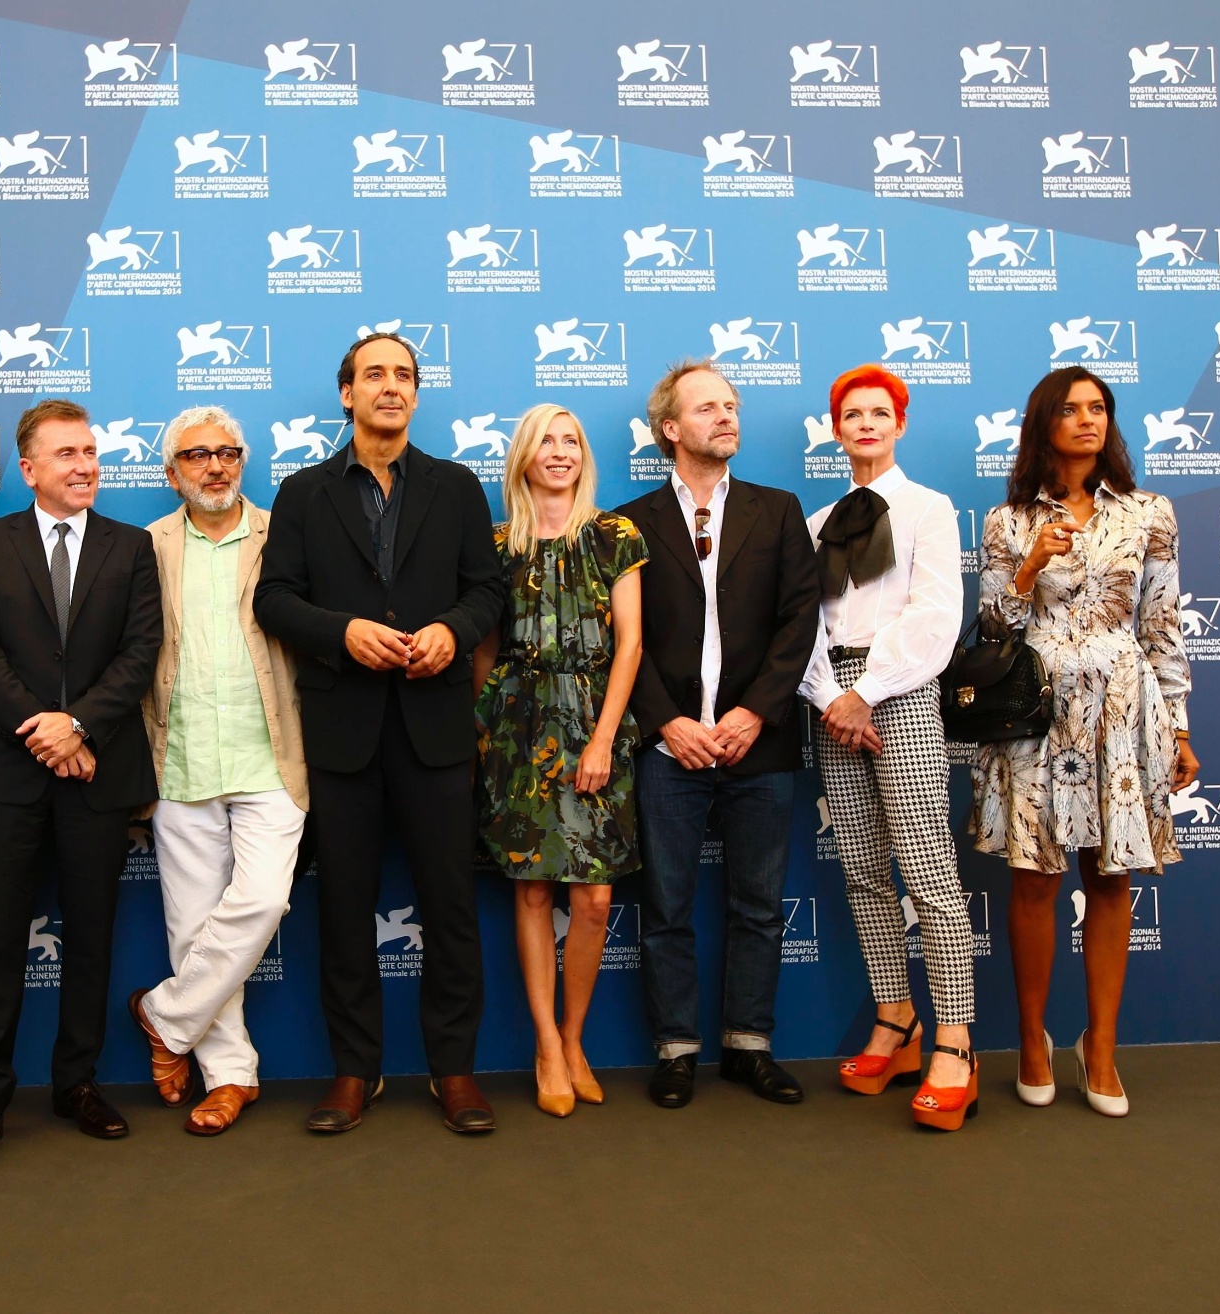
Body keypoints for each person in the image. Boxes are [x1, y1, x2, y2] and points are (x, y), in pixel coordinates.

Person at [256, 331, 508, 1134]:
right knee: (344, 912)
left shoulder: (458, 486)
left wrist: (452, 631)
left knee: (450, 910)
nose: (390, 387)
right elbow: (275, 599)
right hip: (343, 734)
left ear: (416, 395)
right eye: (375, 375)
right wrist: (342, 634)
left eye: (403, 375)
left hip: (436, 732)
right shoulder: (301, 493)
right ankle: (354, 1072)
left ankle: (454, 1071)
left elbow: (488, 592)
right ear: (347, 394)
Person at [0, 398, 162, 1175]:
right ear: (29, 468)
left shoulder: (131, 547)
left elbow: (140, 652)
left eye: (91, 452)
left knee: (92, 938)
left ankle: (78, 1084)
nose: (85, 466)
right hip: (7, 772)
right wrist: (43, 730)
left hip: (96, 771)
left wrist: (80, 727)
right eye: (66, 454)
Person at [972, 366, 1197, 1119]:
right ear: (1044, 423)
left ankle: (1100, 1047)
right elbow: (993, 629)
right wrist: (1031, 564)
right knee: (1034, 880)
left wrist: (1181, 723)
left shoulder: (1149, 513)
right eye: (1070, 409)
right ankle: (1032, 1042)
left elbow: (1161, 622)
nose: (1087, 420)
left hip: (1122, 711)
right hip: (1035, 712)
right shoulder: (1006, 520)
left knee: (1111, 879)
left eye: (1098, 408)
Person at [617, 360, 820, 1110]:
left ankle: (748, 1046)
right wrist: (667, 721)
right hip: (669, 749)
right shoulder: (630, 523)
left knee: (759, 906)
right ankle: (675, 1049)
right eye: (707, 408)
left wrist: (755, 712)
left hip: (756, 745)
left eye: (731, 406)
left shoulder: (777, 510)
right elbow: (619, 640)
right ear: (671, 428)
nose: (726, 418)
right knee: (667, 906)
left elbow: (802, 620)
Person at [798, 366, 977, 1131]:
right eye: (851, 414)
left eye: (879, 413)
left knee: (928, 870)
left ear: (899, 424)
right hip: (827, 698)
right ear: (836, 430)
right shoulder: (815, 522)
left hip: (895, 692)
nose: (865, 424)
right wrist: (826, 696)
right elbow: (800, 625)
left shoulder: (928, 509)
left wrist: (863, 693)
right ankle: (895, 1018)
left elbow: (936, 615)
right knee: (866, 870)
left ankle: (956, 1041)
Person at [128, 406, 307, 1136]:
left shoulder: (281, 536)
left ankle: (163, 1016)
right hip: (179, 758)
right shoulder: (146, 547)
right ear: (171, 473)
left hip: (272, 756)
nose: (215, 466)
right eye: (197, 455)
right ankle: (230, 1075)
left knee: (262, 903)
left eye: (228, 452)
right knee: (194, 928)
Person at [474, 404, 646, 1118]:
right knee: (533, 892)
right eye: (546, 440)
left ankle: (575, 1039)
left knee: (595, 898)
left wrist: (603, 737)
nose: (560, 451)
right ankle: (546, 1044)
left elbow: (631, 644)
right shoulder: (493, 544)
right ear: (522, 455)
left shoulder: (615, 536)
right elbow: (483, 647)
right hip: (517, 727)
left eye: (571, 440)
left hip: (594, 718)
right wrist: (485, 725)